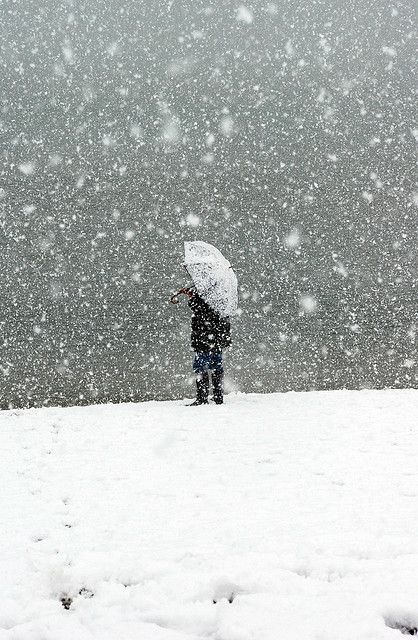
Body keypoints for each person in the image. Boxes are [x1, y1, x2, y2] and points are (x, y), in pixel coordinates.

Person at [178, 287, 231, 405]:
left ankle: (202, 397)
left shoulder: (205, 293)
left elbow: (199, 309)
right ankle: (218, 396)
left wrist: (192, 297)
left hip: (204, 339)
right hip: (216, 339)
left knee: (200, 367)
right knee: (216, 367)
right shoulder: (222, 293)